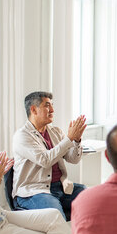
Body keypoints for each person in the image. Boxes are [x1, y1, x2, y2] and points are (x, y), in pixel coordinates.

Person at [12, 91, 87, 220]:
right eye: (47, 105)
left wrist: (76, 141)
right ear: (34, 110)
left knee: (91, 199)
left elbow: (73, 159)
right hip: (34, 191)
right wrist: (69, 138)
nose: (52, 110)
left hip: (61, 187)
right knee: (56, 217)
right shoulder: (22, 136)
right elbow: (45, 160)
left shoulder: (55, 131)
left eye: (52, 105)